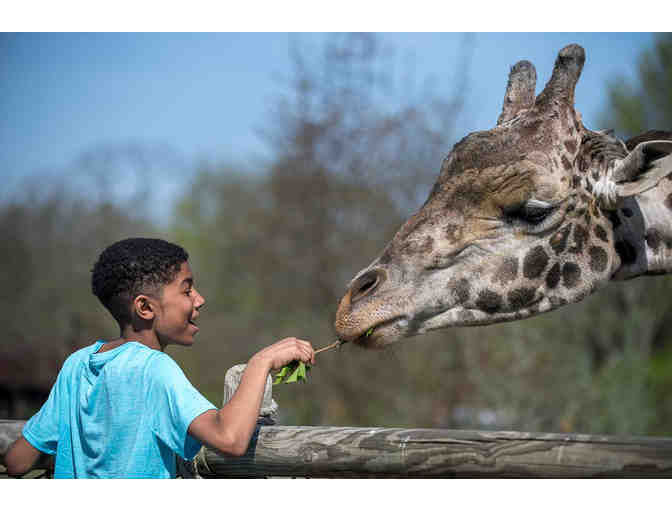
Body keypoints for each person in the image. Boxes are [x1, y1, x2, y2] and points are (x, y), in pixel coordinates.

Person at [4, 237, 315, 478]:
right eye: (187, 290)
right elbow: (230, 438)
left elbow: (17, 461)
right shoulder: (153, 369)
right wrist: (261, 363)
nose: (200, 299)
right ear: (145, 308)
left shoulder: (77, 364)